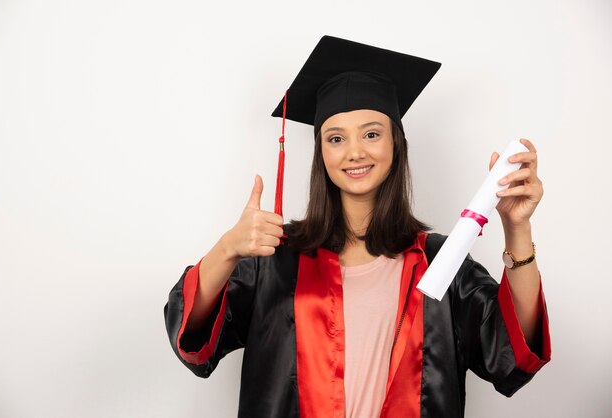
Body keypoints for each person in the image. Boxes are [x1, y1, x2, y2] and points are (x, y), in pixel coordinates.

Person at [164, 35, 551, 418]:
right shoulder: (275, 260)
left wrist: (517, 227)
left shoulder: (439, 261)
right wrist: (228, 248)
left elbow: (511, 352)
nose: (355, 152)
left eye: (371, 133)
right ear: (322, 154)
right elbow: (193, 340)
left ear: (395, 144)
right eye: (336, 138)